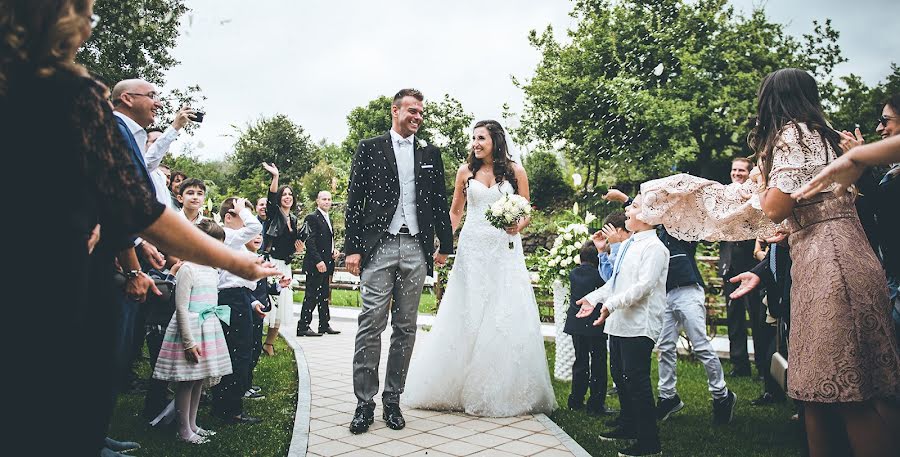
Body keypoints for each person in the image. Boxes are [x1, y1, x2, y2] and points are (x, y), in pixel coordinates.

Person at [1, 2, 278, 454]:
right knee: (54, 406)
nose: (89, 23)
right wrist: (235, 261)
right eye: (82, 11)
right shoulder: (70, 91)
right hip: (54, 277)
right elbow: (136, 207)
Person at [403, 119, 556, 419]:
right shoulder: (465, 171)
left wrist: (518, 224)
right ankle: (453, 385)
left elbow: (526, 209)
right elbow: (455, 211)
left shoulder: (515, 171)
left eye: (481, 138)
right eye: (473, 138)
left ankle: (502, 388)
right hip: (472, 248)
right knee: (468, 310)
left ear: (495, 141)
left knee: (502, 311)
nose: (475, 143)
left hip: (503, 249)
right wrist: (444, 245)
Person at [345, 89, 455, 434]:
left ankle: (392, 400)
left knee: (406, 327)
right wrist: (353, 247)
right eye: (411, 110)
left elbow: (439, 201)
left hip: (415, 247)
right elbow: (355, 198)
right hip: (379, 246)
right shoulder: (371, 147)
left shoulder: (429, 153)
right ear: (395, 111)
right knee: (370, 323)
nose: (417, 116)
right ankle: (365, 403)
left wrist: (445, 246)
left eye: (421, 112)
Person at [604, 189, 736, 425]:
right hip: (664, 295)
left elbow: (659, 213)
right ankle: (668, 397)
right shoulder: (648, 236)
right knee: (665, 347)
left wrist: (625, 198)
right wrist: (627, 202)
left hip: (687, 289)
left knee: (700, 344)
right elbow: (643, 215)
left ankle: (721, 395)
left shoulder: (681, 230)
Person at [575, 194, 668, 457]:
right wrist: (593, 299)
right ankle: (629, 426)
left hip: (639, 324)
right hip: (618, 323)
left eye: (635, 206)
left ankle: (649, 442)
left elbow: (644, 286)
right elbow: (615, 282)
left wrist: (611, 305)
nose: (628, 209)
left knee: (636, 380)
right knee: (620, 375)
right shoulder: (630, 244)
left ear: (649, 216)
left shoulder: (655, 248)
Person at [152, 219, 233, 444]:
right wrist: (188, 342)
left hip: (208, 331)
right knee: (187, 381)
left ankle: (193, 424)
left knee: (199, 381)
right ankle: (183, 429)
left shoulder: (212, 271)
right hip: (190, 331)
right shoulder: (188, 269)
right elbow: (181, 307)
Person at [211, 197, 265, 425]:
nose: (244, 222)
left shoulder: (232, 241)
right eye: (240, 216)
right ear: (228, 217)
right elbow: (256, 227)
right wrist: (244, 211)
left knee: (234, 350)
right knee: (238, 351)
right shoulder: (228, 235)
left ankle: (224, 405)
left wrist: (252, 301)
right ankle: (230, 409)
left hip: (236, 298)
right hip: (233, 299)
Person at [718, 158, 763, 377]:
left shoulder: (756, 196)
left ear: (748, 173)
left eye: (741, 170)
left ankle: (763, 366)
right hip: (729, 263)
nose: (737, 173)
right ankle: (739, 365)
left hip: (752, 264)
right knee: (733, 317)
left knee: (757, 316)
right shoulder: (724, 196)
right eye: (734, 169)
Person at [261, 162, 305, 355]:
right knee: (270, 301)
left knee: (283, 303)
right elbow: (270, 199)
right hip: (272, 263)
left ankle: (269, 343)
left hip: (285, 266)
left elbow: (293, 246)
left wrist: (298, 249)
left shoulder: (294, 220)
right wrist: (275, 177)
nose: (287, 197)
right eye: (284, 194)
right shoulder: (273, 215)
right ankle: (258, 338)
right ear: (280, 199)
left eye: (290, 195)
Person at [564, 241, 610, 415]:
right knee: (598, 362)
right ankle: (596, 403)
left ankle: (575, 399)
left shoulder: (573, 273)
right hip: (595, 324)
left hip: (576, 324)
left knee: (580, 361)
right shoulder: (600, 276)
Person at [297, 190, 340, 336]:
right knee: (311, 295)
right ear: (317, 201)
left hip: (327, 262)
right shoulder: (312, 217)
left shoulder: (328, 218)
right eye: (324, 199)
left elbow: (327, 241)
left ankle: (324, 324)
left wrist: (334, 251)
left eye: (329, 199)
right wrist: (318, 261)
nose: (327, 202)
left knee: (323, 296)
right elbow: (310, 241)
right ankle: (303, 326)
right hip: (316, 264)